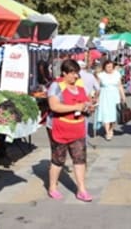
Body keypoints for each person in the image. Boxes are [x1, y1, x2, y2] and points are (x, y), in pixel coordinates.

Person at [47, 59, 94, 202]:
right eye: (73, 73)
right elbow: (54, 106)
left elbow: (85, 103)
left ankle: (81, 189)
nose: (76, 76)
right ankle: (52, 187)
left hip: (78, 128)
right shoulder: (56, 86)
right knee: (58, 159)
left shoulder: (80, 87)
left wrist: (88, 108)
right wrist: (76, 107)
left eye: (77, 73)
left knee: (80, 159)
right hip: (59, 127)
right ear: (64, 73)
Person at [96, 60, 126, 141]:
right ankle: (107, 132)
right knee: (106, 114)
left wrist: (123, 96)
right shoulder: (101, 75)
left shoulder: (117, 74)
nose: (109, 68)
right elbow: (97, 87)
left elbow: (120, 86)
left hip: (115, 96)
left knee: (114, 114)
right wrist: (96, 97)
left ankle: (111, 129)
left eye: (111, 67)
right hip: (104, 96)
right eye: (107, 67)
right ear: (104, 67)